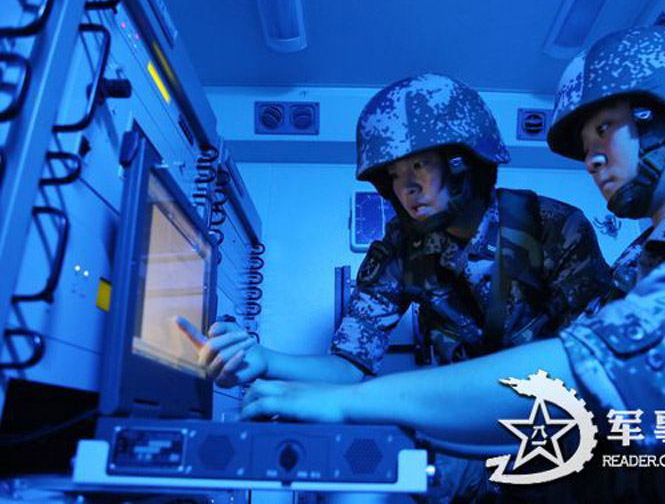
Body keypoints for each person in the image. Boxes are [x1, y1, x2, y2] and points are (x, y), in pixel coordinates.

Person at [239, 28, 665, 503]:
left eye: (603, 129)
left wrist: (349, 405)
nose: (591, 157)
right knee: (368, 469)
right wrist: (284, 373)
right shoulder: (641, 258)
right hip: (567, 452)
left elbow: (588, 373)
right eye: (585, 143)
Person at [178, 73, 611, 501]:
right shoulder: (400, 250)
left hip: (552, 422)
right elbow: (348, 367)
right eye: (394, 173)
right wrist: (262, 358)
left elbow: (593, 372)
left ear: (463, 164)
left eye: (420, 165)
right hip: (457, 425)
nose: (406, 187)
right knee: (357, 468)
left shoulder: (553, 228)